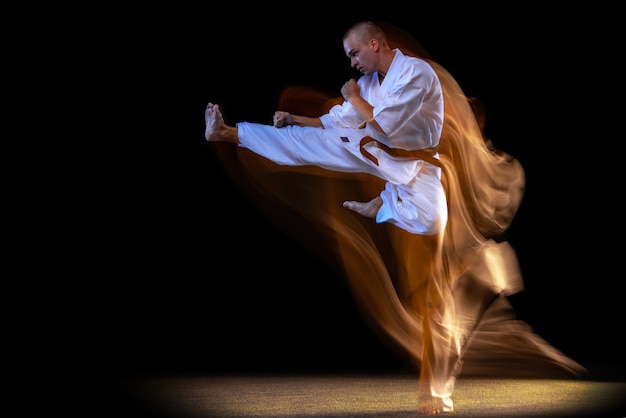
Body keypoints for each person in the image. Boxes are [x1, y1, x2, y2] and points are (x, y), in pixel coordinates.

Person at [205, 21, 585, 415]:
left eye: (354, 53)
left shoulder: (415, 74)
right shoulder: (370, 84)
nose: (352, 64)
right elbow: (342, 120)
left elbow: (383, 126)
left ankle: (384, 206)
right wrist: (297, 120)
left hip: (415, 166)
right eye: (348, 58)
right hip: (378, 154)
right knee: (317, 144)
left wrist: (352, 96)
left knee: (432, 221)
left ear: (375, 43)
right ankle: (229, 133)